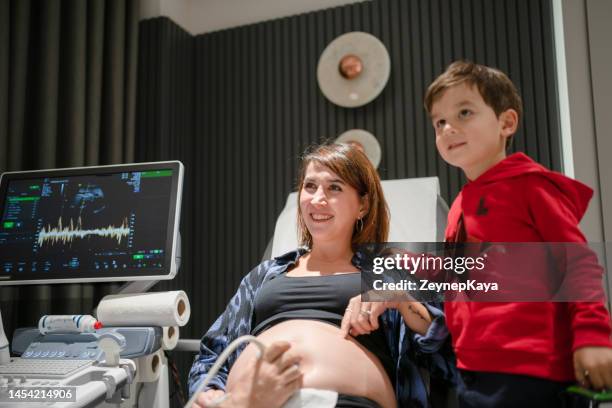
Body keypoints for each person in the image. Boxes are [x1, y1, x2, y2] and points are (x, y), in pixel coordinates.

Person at [187, 143, 454, 408]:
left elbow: (451, 348)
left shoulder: (389, 270)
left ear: (362, 205)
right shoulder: (265, 274)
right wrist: (209, 392)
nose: (317, 199)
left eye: (334, 188)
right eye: (310, 186)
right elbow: (213, 353)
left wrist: (398, 298)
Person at [422, 60, 612, 407]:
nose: (448, 129)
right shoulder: (459, 205)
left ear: (506, 123)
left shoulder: (532, 188)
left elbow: (578, 263)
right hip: (472, 368)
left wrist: (593, 337)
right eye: (440, 122)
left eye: (464, 113)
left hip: (533, 369)